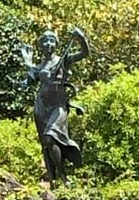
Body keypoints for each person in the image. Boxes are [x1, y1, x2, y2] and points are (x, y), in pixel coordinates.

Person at [20, 27, 89, 184]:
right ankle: (52, 178)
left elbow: (84, 54)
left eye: (51, 40)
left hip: (58, 106)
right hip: (42, 106)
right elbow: (29, 81)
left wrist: (81, 38)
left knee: (51, 137)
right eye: (45, 41)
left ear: (56, 44)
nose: (48, 44)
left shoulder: (62, 60)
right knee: (46, 144)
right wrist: (24, 73)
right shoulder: (39, 65)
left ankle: (63, 176)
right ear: (41, 46)